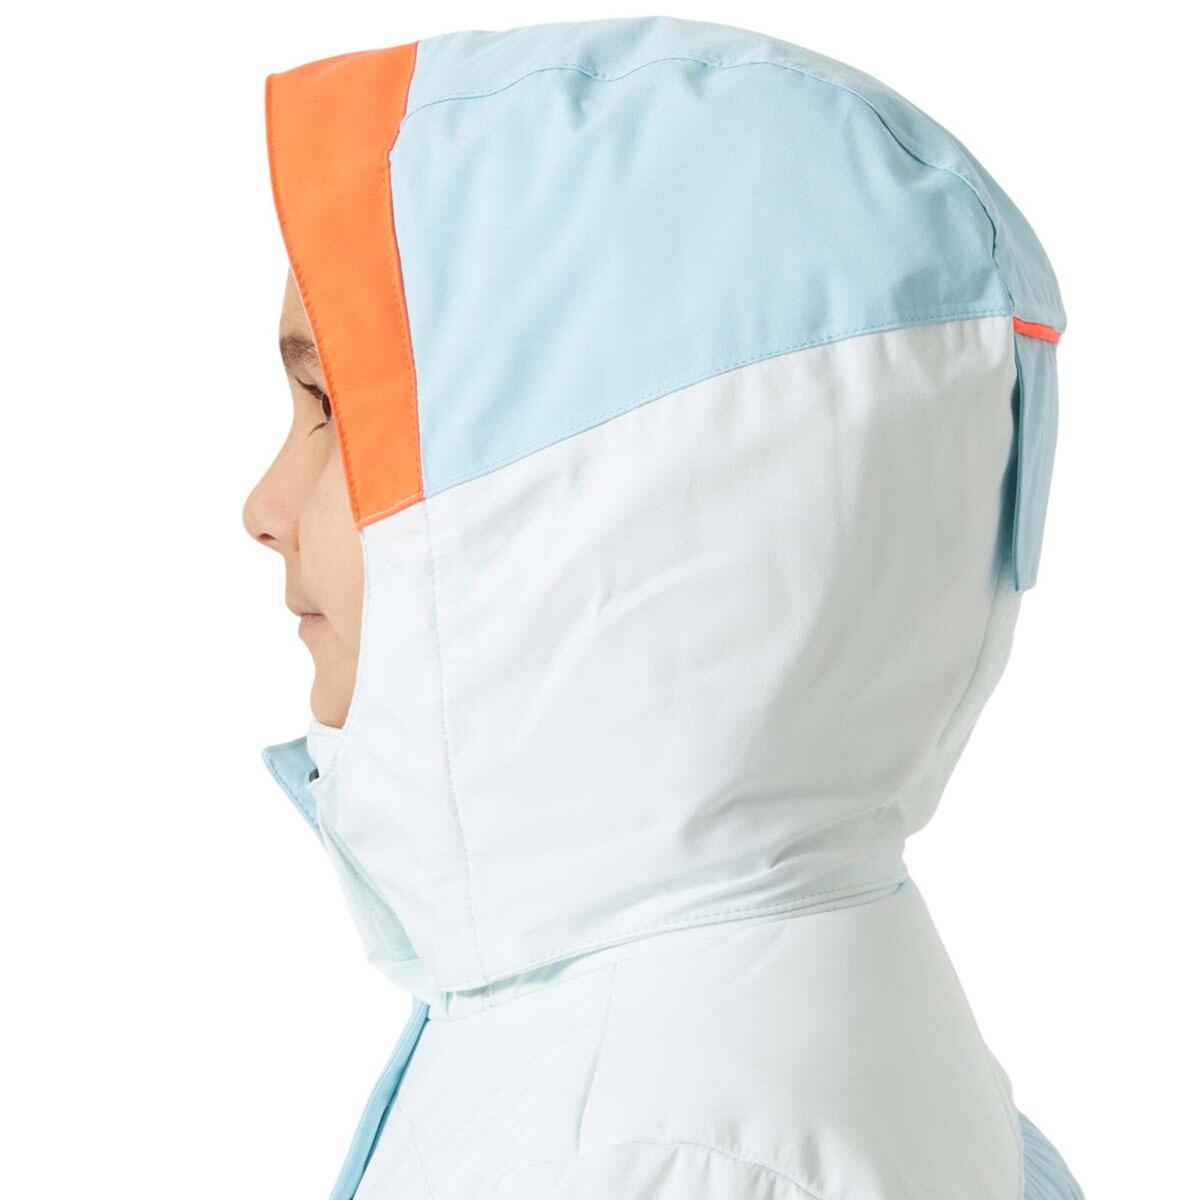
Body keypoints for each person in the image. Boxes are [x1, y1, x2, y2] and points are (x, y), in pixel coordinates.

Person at [243, 15, 1085, 1200]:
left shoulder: (639, 1151)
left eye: (331, 410)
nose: (264, 507)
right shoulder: (753, 984)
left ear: (606, 500)